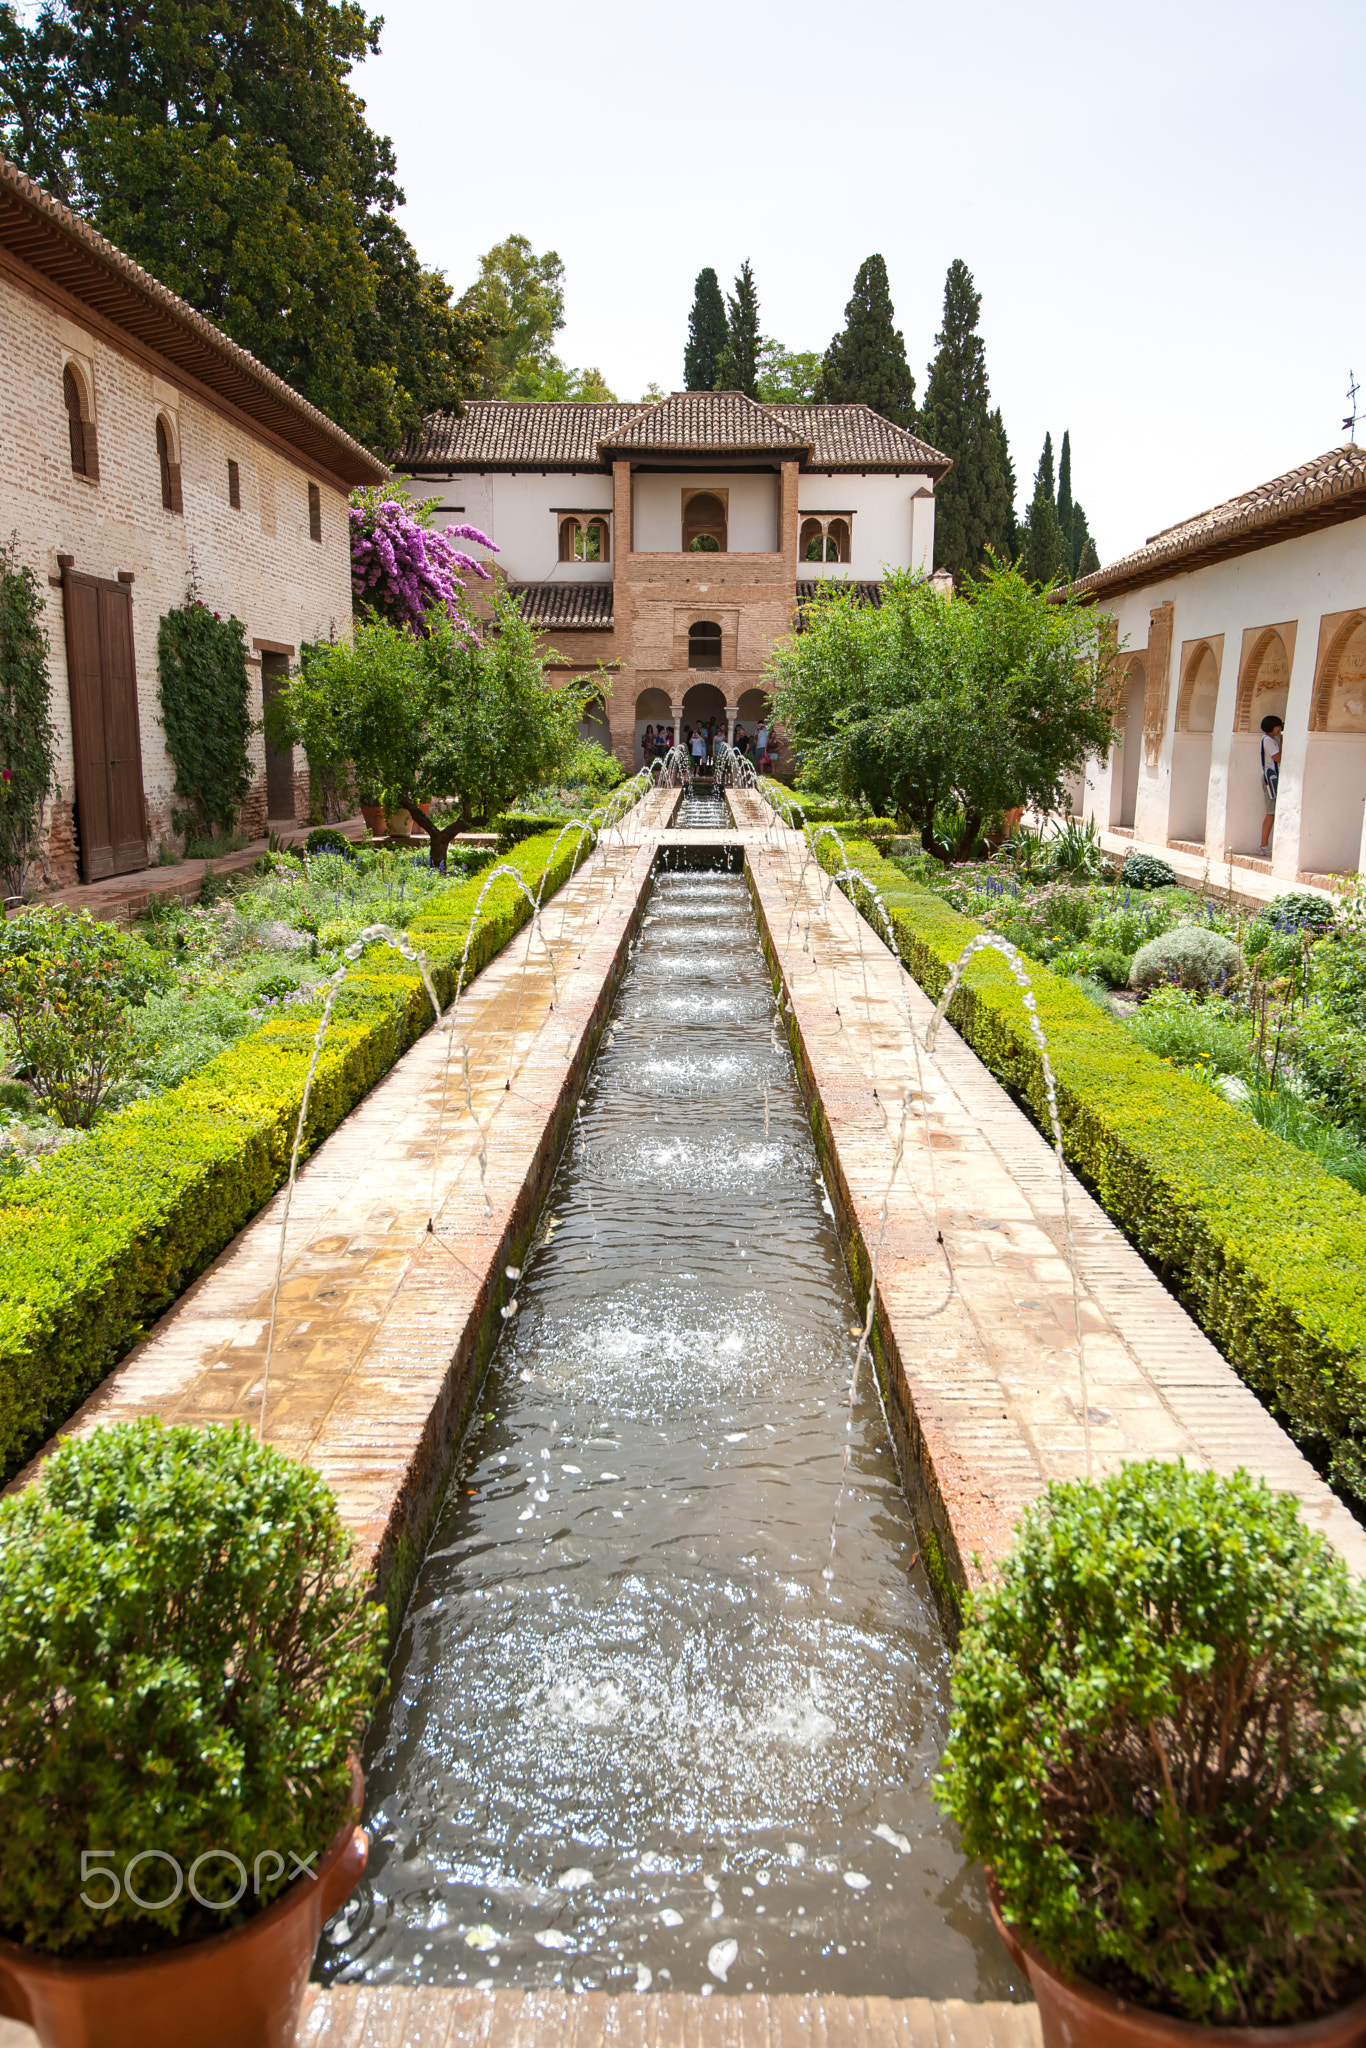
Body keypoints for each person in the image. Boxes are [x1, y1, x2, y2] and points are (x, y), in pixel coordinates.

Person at [1259, 713, 1283, 851]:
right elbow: (1278, 758)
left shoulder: (1271, 740)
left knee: (1272, 811)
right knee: (1270, 812)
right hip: (1271, 780)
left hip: (1272, 779)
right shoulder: (1268, 740)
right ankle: (1263, 845)